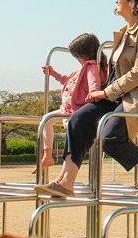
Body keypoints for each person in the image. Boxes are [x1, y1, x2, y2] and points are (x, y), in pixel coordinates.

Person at [34, 0, 138, 199]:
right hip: (116, 95)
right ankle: (66, 182)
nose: (116, 0)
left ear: (132, 2)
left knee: (110, 137)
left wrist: (104, 93)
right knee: (79, 119)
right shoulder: (124, 33)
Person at [36, 33, 107, 173]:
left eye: (77, 55)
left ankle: (50, 158)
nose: (76, 59)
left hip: (77, 108)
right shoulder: (82, 69)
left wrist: (94, 93)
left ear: (83, 53)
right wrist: (53, 73)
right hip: (68, 108)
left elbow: (94, 82)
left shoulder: (91, 67)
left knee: (49, 121)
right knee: (47, 120)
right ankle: (48, 156)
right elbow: (66, 80)